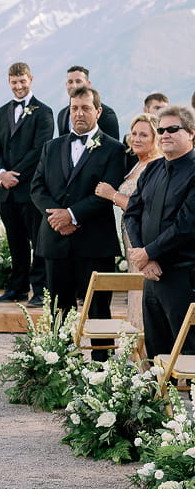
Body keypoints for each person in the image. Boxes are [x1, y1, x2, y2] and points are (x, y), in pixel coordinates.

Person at [31, 87, 126, 336]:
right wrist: (58, 217)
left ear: (98, 111)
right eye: (74, 108)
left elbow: (107, 194)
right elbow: (37, 188)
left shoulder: (114, 149)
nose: (79, 113)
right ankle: (59, 371)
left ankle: (100, 371)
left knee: (98, 313)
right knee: (57, 313)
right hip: (55, 240)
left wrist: (72, 215)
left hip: (94, 243)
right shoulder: (51, 147)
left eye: (85, 108)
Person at [124, 105, 195, 361]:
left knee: (189, 353)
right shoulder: (152, 169)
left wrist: (149, 252)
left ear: (191, 133)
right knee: (157, 355)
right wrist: (145, 257)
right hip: (151, 275)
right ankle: (158, 402)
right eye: (161, 129)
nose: (164, 134)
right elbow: (131, 213)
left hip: (183, 276)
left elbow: (187, 224)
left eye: (172, 129)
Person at [0, 62, 54, 308]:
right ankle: (16, 288)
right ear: (9, 82)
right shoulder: (0, 112)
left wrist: (16, 174)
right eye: (14, 82)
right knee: (14, 241)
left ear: (31, 79)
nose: (18, 86)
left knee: (38, 241)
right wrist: (2, 173)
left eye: (22, 81)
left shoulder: (43, 112)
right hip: (5, 189)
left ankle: (39, 291)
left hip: (30, 189)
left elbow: (41, 148)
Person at [94, 114, 161, 330]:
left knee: (143, 297)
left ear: (155, 138)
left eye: (144, 134)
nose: (137, 138)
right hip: (130, 240)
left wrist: (112, 194)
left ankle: (147, 360)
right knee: (135, 295)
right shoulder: (137, 164)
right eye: (134, 133)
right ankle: (134, 357)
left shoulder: (155, 165)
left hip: (143, 240)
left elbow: (145, 208)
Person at [56, 66, 120, 139]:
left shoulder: (107, 114)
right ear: (66, 85)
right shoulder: (62, 115)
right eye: (70, 82)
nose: (74, 85)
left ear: (88, 84)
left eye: (78, 81)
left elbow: (113, 147)